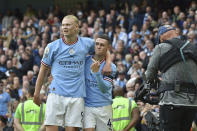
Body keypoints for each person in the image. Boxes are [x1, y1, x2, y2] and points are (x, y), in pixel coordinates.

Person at [33, 15, 111, 131]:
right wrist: (36, 93)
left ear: (76, 27)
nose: (64, 27)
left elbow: (105, 48)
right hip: (56, 94)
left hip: (77, 96)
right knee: (50, 127)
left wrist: (108, 63)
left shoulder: (87, 43)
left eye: (68, 25)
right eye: (63, 25)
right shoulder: (52, 46)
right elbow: (42, 70)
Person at [145, 25, 197, 131]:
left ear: (161, 38)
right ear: (176, 33)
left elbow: (149, 74)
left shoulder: (160, 47)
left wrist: (155, 83)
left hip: (171, 100)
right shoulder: (193, 48)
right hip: (192, 102)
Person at [83, 34, 116, 131]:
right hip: (87, 106)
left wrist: (97, 73)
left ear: (108, 48)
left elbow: (104, 88)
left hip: (104, 107)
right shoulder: (85, 61)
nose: (98, 46)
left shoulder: (111, 67)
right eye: (97, 44)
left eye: (102, 45)